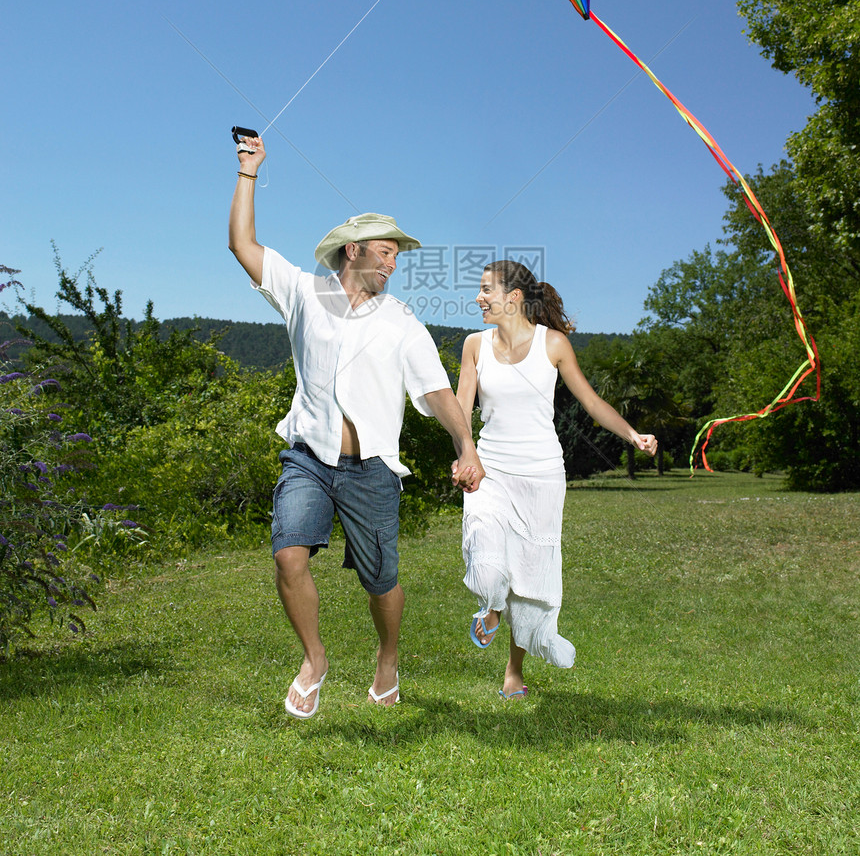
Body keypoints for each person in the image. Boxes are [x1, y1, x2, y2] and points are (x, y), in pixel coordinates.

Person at [229, 136, 484, 718]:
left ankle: (388, 658)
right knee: (288, 555)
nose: (393, 263)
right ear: (352, 252)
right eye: (385, 252)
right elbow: (241, 243)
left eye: (397, 255)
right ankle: (314, 659)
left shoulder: (401, 322)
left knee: (380, 581)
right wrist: (249, 173)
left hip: (371, 469)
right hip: (309, 458)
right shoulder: (304, 293)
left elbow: (438, 393)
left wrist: (465, 444)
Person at [454, 260, 657, 699]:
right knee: (489, 562)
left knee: (529, 572)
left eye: (486, 289)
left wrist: (632, 434)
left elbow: (590, 401)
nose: (479, 297)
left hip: (542, 473)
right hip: (490, 469)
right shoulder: (474, 345)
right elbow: (460, 409)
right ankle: (490, 606)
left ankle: (513, 670)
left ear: (513, 297)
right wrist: (464, 456)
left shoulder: (555, 344)